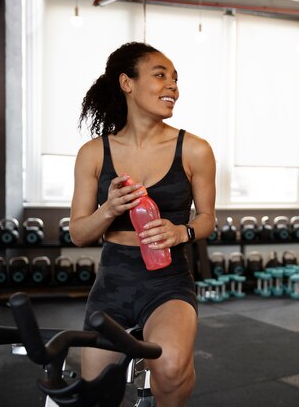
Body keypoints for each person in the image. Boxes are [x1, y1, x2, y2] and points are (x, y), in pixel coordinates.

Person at [69, 41, 216, 407]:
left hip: (168, 281)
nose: (173, 87)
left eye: (176, 79)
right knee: (98, 391)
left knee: (171, 367)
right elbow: (78, 234)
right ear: (127, 83)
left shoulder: (195, 149)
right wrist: (108, 209)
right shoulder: (93, 153)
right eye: (160, 75)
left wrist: (182, 231)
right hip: (113, 281)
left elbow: (208, 219)